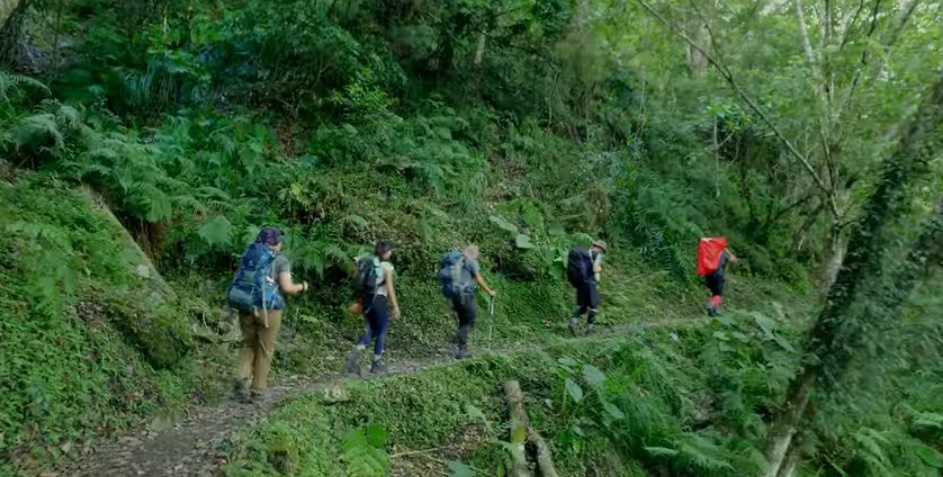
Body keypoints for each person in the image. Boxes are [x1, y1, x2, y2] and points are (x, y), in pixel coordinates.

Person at [228, 227, 308, 403]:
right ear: (276, 243)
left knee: (249, 344)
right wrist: (302, 286)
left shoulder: (250, 254)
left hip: (246, 306)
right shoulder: (281, 261)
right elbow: (287, 287)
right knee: (265, 349)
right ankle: (258, 391)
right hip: (268, 310)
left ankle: (241, 380)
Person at [345, 241, 400, 375]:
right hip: (379, 300)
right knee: (381, 330)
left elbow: (352, 267)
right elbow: (390, 288)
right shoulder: (387, 266)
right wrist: (395, 307)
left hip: (366, 300)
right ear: (386, 252)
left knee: (372, 330)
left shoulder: (367, 260)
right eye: (389, 251)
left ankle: (354, 354)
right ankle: (377, 362)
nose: (391, 253)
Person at [441, 245, 496, 359]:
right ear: (474, 254)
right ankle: (461, 349)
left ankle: (458, 342)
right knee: (469, 320)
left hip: (454, 295)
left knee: (464, 320)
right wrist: (489, 291)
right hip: (465, 295)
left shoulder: (455, 261)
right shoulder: (470, 261)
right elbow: (478, 278)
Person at [568, 240, 606, 336]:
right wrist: (598, 275)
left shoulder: (584, 254)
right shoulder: (597, 255)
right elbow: (595, 269)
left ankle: (573, 322)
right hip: (591, 283)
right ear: (601, 248)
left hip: (581, 283)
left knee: (582, 305)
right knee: (594, 305)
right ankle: (590, 330)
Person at [704, 245, 738, 316]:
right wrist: (729, 254)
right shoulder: (724, 254)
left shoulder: (711, 253)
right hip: (718, 274)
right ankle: (711, 306)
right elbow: (734, 261)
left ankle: (714, 310)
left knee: (714, 293)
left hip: (708, 275)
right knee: (718, 294)